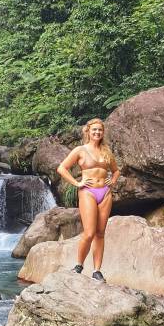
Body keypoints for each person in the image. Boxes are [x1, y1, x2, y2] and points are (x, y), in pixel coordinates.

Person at [56, 118, 120, 281]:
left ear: (103, 132)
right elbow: (61, 168)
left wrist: (112, 181)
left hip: (105, 193)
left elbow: (116, 171)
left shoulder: (106, 151)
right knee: (89, 232)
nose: (97, 132)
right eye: (94, 130)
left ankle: (97, 270)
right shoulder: (80, 150)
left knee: (100, 233)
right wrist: (77, 183)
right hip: (87, 192)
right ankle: (79, 265)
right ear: (88, 131)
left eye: (100, 130)